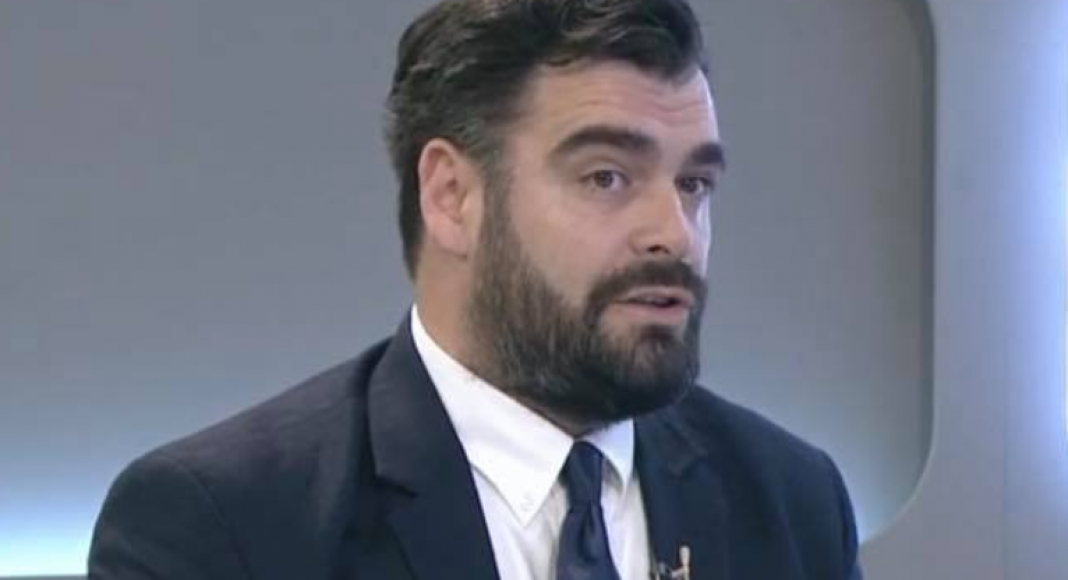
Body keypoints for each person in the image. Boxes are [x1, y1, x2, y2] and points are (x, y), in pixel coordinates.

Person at [88, 0, 863, 578]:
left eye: (693, 184)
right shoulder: (224, 527)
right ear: (452, 196)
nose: (676, 233)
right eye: (607, 177)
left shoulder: (793, 505)